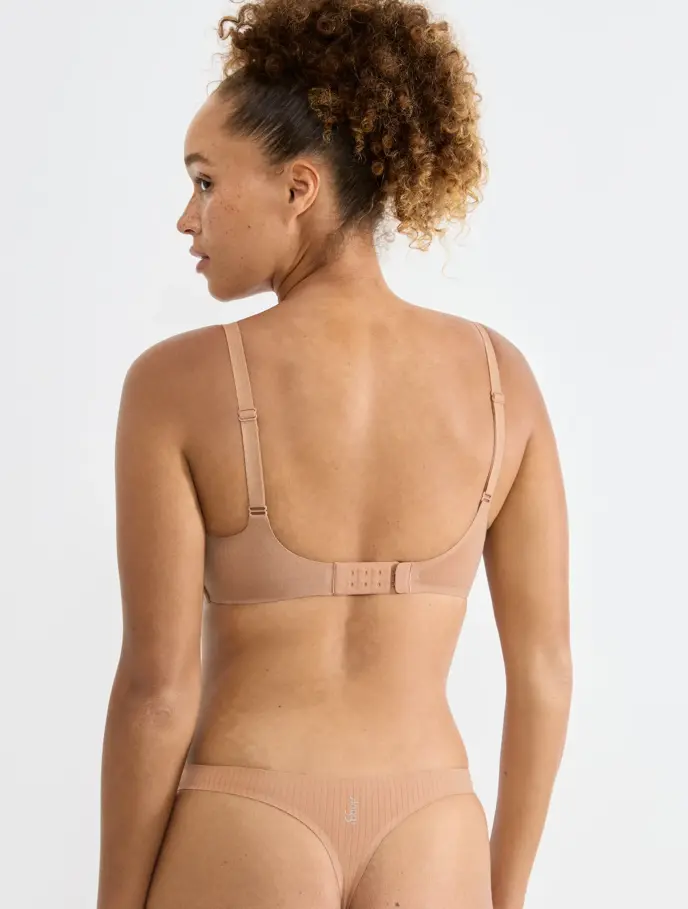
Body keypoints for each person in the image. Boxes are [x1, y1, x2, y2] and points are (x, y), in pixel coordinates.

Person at [97, 1, 572, 907]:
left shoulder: (174, 385)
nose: (186, 219)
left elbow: (156, 693)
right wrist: (501, 892)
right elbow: (545, 670)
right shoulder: (501, 379)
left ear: (299, 187)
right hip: (434, 829)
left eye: (205, 182)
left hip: (246, 818)